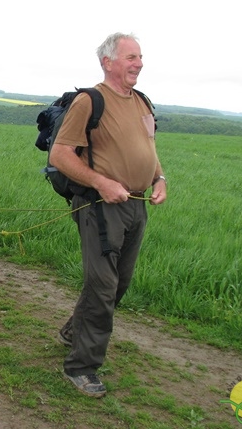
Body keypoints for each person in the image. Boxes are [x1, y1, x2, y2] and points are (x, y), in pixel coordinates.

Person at [49, 32, 167, 398]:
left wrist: (159, 178)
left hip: (137, 204)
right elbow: (61, 154)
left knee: (119, 284)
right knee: (102, 287)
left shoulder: (142, 102)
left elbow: (149, 147)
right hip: (101, 208)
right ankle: (81, 366)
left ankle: (74, 331)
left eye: (140, 56)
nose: (139, 63)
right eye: (131, 57)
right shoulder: (90, 100)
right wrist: (101, 183)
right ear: (108, 62)